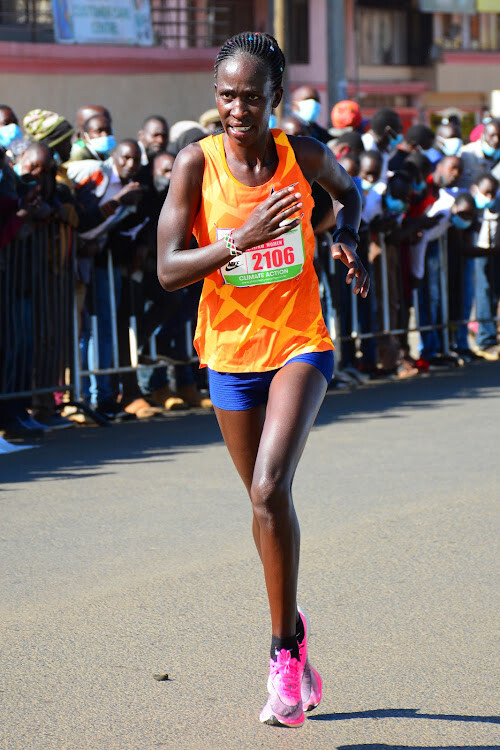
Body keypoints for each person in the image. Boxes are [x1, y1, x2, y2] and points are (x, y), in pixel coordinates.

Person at [157, 31, 369, 727]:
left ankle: (282, 655)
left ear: (275, 97)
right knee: (261, 503)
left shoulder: (302, 155)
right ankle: (295, 629)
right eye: (226, 96)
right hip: (228, 352)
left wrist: (346, 238)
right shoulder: (196, 164)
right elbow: (166, 269)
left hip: (300, 341)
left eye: (251, 96)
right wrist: (237, 240)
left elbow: (350, 193)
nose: (237, 109)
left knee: (271, 486)